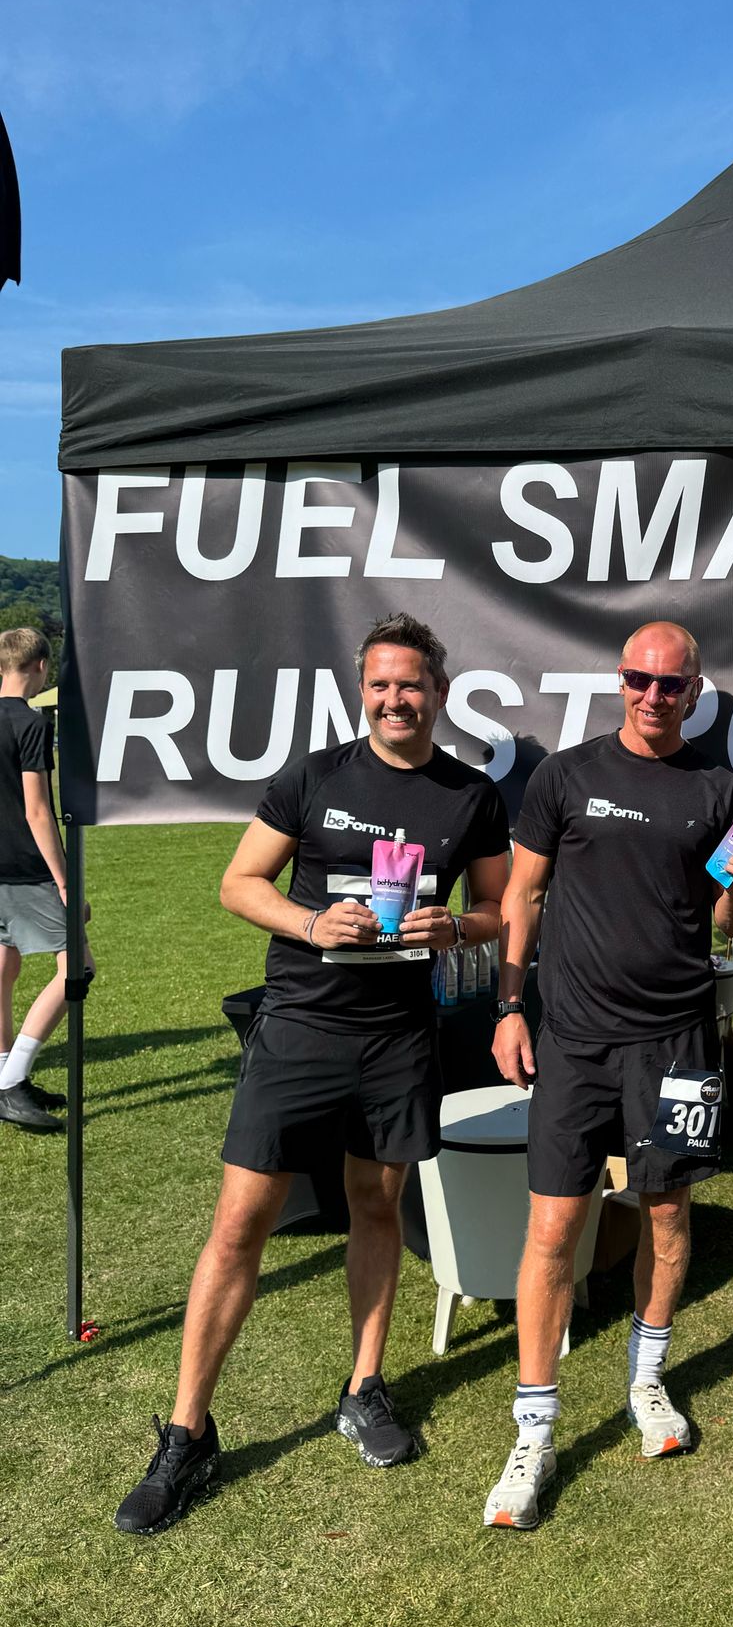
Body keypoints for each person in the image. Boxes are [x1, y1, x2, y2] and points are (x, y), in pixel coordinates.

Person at [114, 613, 510, 1534]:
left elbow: (495, 907)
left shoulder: (467, 796)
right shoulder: (315, 776)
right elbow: (239, 882)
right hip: (299, 1027)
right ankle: (187, 1431)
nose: (395, 699)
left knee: (376, 1206)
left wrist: (458, 928)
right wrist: (309, 924)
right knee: (240, 1222)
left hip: (398, 1036)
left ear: (438, 693)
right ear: (361, 691)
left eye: (410, 684)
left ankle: (364, 1387)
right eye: (379, 685)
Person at [483, 621, 733, 1531]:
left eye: (672, 685)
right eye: (640, 681)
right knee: (555, 1224)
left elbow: (728, 923)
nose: (654, 696)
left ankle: (648, 1382)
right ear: (620, 682)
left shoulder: (724, 791)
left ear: (695, 691)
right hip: (571, 1037)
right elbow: (521, 894)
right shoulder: (565, 775)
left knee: (668, 1214)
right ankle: (536, 1427)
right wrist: (509, 1005)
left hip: (679, 1040)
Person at [0, 626, 90, 1134]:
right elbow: (38, 811)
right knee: (78, 967)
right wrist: (64, 882)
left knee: (3, 966)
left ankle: (7, 1075)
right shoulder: (30, 723)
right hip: (24, 867)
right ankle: (11, 1083)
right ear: (40, 667)